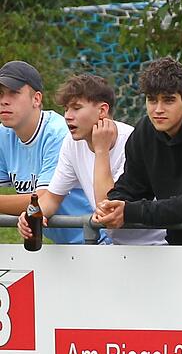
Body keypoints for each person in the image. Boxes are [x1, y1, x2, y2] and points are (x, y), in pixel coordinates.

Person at [94, 57, 182, 245]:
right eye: (152, 100)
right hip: (174, 246)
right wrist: (111, 206)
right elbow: (131, 186)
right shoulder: (145, 131)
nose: (158, 109)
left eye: (168, 100)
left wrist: (131, 211)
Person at [17, 74, 165, 245]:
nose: (67, 116)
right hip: (118, 246)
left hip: (160, 245)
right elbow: (52, 198)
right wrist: (32, 214)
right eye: (66, 109)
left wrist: (101, 150)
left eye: (76, 108)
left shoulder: (132, 140)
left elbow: (107, 208)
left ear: (102, 111)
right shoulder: (71, 143)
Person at [0, 60, 94, 244]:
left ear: (36, 99)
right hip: (65, 246)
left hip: (100, 239)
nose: (4, 100)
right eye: (0, 94)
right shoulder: (4, 134)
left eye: (14, 93)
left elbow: (42, 201)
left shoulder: (58, 133)